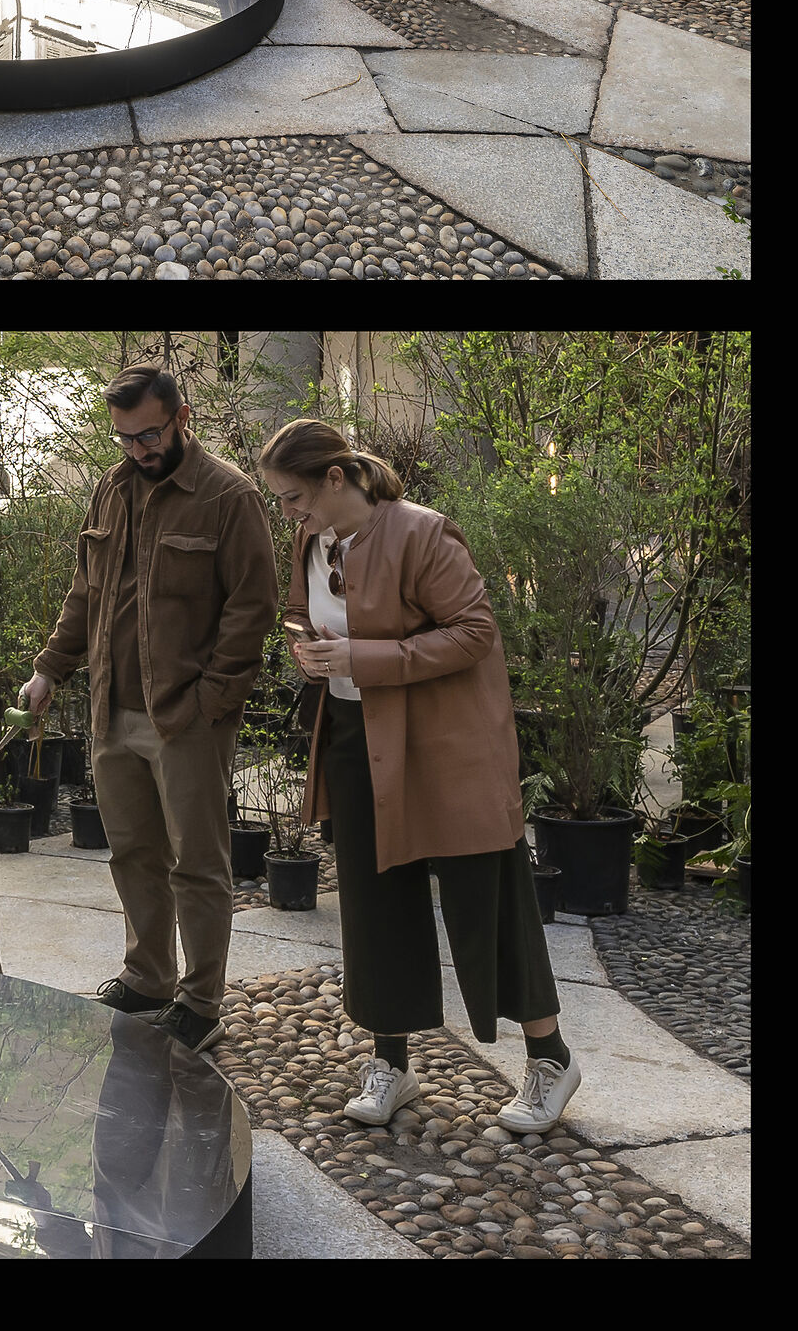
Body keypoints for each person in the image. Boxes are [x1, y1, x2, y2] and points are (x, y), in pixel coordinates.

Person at [257, 417, 580, 1134]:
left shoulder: (422, 533)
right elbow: (300, 614)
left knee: (484, 900)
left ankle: (549, 1059)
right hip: (351, 738)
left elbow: (473, 632)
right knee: (373, 906)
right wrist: (308, 650)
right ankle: (391, 1063)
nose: (287, 513)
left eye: (291, 498)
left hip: (445, 746)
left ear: (333, 479)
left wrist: (362, 658)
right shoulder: (309, 541)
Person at [20, 365, 277, 1052]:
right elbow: (85, 593)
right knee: (132, 852)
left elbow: (252, 609)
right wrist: (50, 669)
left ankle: (200, 1001)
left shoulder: (228, 497)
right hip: (111, 711)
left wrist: (212, 701)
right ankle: (147, 976)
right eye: (125, 439)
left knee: (196, 862)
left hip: (185, 720)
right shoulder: (109, 490)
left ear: (181, 417)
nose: (137, 450)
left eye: (149, 435)